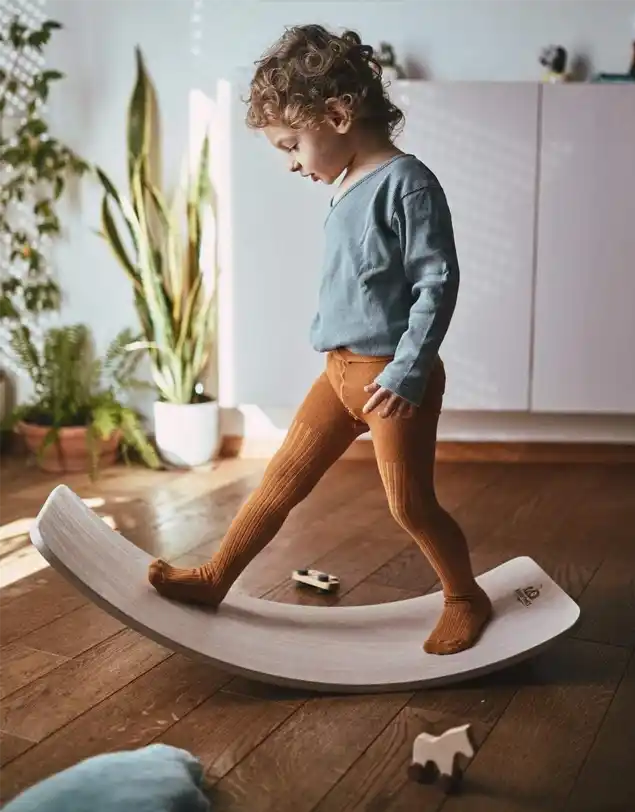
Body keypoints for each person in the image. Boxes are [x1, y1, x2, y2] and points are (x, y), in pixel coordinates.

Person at [148, 24, 492, 655]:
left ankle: (465, 596)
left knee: (410, 506)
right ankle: (215, 577)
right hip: (338, 375)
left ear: (337, 114)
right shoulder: (343, 186)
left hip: (391, 382)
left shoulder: (406, 183)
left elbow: (436, 284)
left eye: (292, 144)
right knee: (279, 480)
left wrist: (407, 372)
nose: (291, 162)